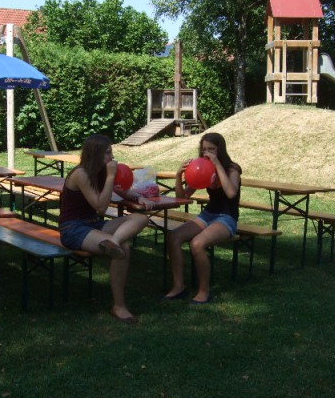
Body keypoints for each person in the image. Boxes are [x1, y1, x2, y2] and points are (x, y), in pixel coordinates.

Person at [59, 134, 154, 324]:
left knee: (142, 218)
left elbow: (121, 189)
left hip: (94, 224)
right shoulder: (81, 174)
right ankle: (119, 306)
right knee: (123, 249)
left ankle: (114, 241)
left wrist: (138, 197)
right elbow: (101, 207)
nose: (112, 157)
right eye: (108, 153)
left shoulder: (101, 171)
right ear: (96, 154)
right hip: (73, 228)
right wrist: (110, 176)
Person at [163, 132, 242, 304]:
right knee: (174, 237)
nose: (207, 153)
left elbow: (231, 193)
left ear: (220, 150)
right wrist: (178, 176)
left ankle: (204, 292)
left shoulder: (232, 169)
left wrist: (217, 164)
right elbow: (182, 197)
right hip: (208, 214)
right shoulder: (203, 168)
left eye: (211, 149)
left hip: (227, 217)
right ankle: (179, 287)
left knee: (197, 244)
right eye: (204, 149)